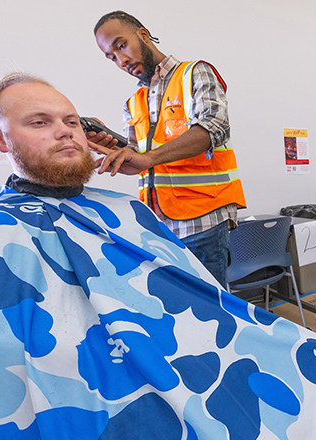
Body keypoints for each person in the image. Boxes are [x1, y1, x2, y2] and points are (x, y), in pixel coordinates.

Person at [0, 73, 316, 440]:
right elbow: (8, 370)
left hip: (180, 349)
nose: (65, 133)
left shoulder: (125, 208)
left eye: (72, 122)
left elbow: (202, 297)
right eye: (40, 122)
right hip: (97, 388)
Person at [91, 11, 245, 289]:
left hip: (203, 219)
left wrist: (147, 157)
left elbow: (215, 127)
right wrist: (109, 146)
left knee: (213, 311)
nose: (121, 60)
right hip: (159, 226)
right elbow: (138, 157)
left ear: (143, 35)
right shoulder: (133, 102)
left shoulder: (194, 73)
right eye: (111, 57)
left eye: (121, 45)